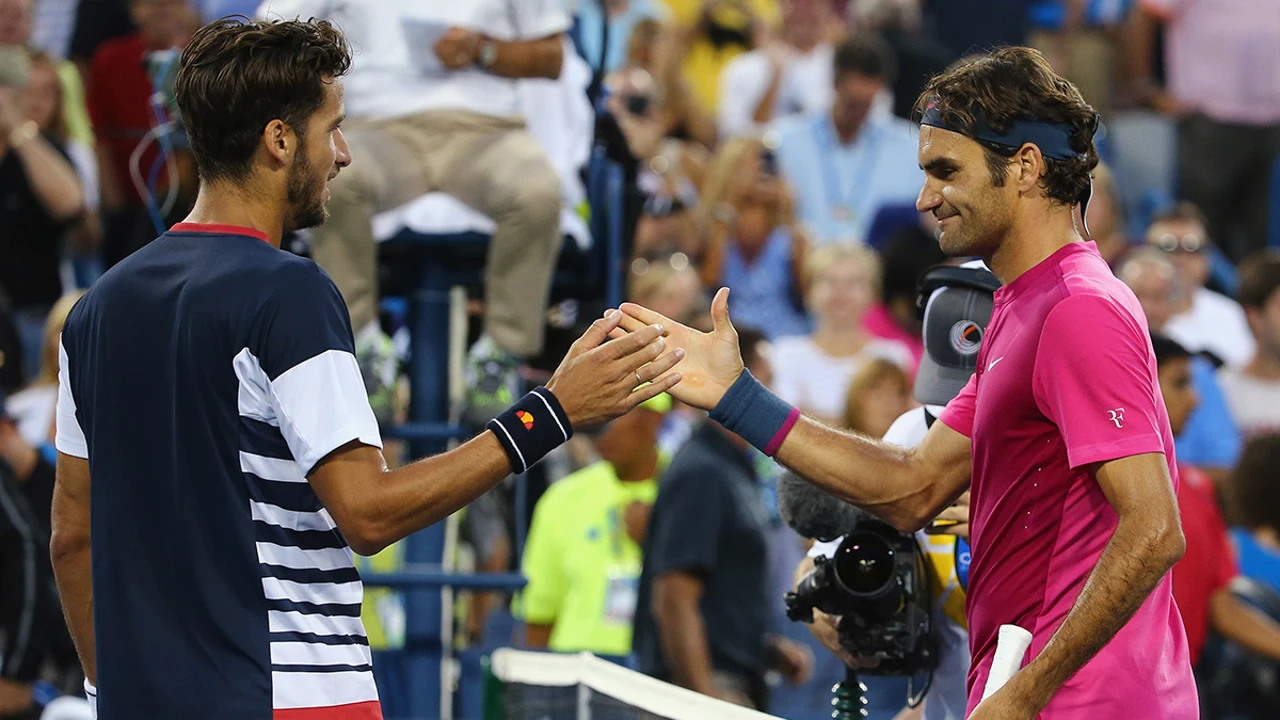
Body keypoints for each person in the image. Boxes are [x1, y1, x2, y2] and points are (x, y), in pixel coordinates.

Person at [50, 17, 683, 720]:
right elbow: (367, 513)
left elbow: (72, 537)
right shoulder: (287, 292)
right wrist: (551, 412)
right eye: (334, 128)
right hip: (296, 698)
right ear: (279, 140)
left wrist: (113, 692)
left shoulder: (94, 311)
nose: (345, 154)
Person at [615, 46, 1197, 718]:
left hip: (1083, 705)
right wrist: (734, 397)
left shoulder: (1076, 309)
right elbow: (911, 486)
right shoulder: (1027, 307)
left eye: (946, 171)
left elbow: (1155, 530)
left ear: (1026, 169)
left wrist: (1029, 690)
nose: (925, 198)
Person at [256, 0, 573, 426]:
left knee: (538, 193)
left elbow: (552, 57)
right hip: (378, 127)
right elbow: (271, 25)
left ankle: (500, 353)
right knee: (334, 181)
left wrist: (484, 50)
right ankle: (362, 346)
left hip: (487, 130)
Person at [800, 259, 999, 720]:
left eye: (976, 395)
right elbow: (817, 562)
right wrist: (827, 617)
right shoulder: (915, 431)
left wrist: (1013, 536)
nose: (953, 420)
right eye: (943, 403)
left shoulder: (1073, 440)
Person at [633, 327, 812, 710]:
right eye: (764, 382)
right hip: (707, 691)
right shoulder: (703, 472)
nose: (774, 396)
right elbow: (673, 600)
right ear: (734, 385)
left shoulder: (731, 470)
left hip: (730, 682)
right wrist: (704, 701)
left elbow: (719, 598)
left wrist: (765, 651)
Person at [1150, 333, 1280, 670]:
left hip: (1179, 691)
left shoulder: (1198, 488)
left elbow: (1222, 608)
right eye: (1179, 383)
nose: (1194, 400)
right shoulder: (1094, 486)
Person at [516, 393, 671, 658]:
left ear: (653, 420)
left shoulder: (689, 491)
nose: (602, 431)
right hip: (574, 677)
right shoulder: (563, 498)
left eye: (615, 416)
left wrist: (657, 540)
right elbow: (538, 617)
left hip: (657, 681)